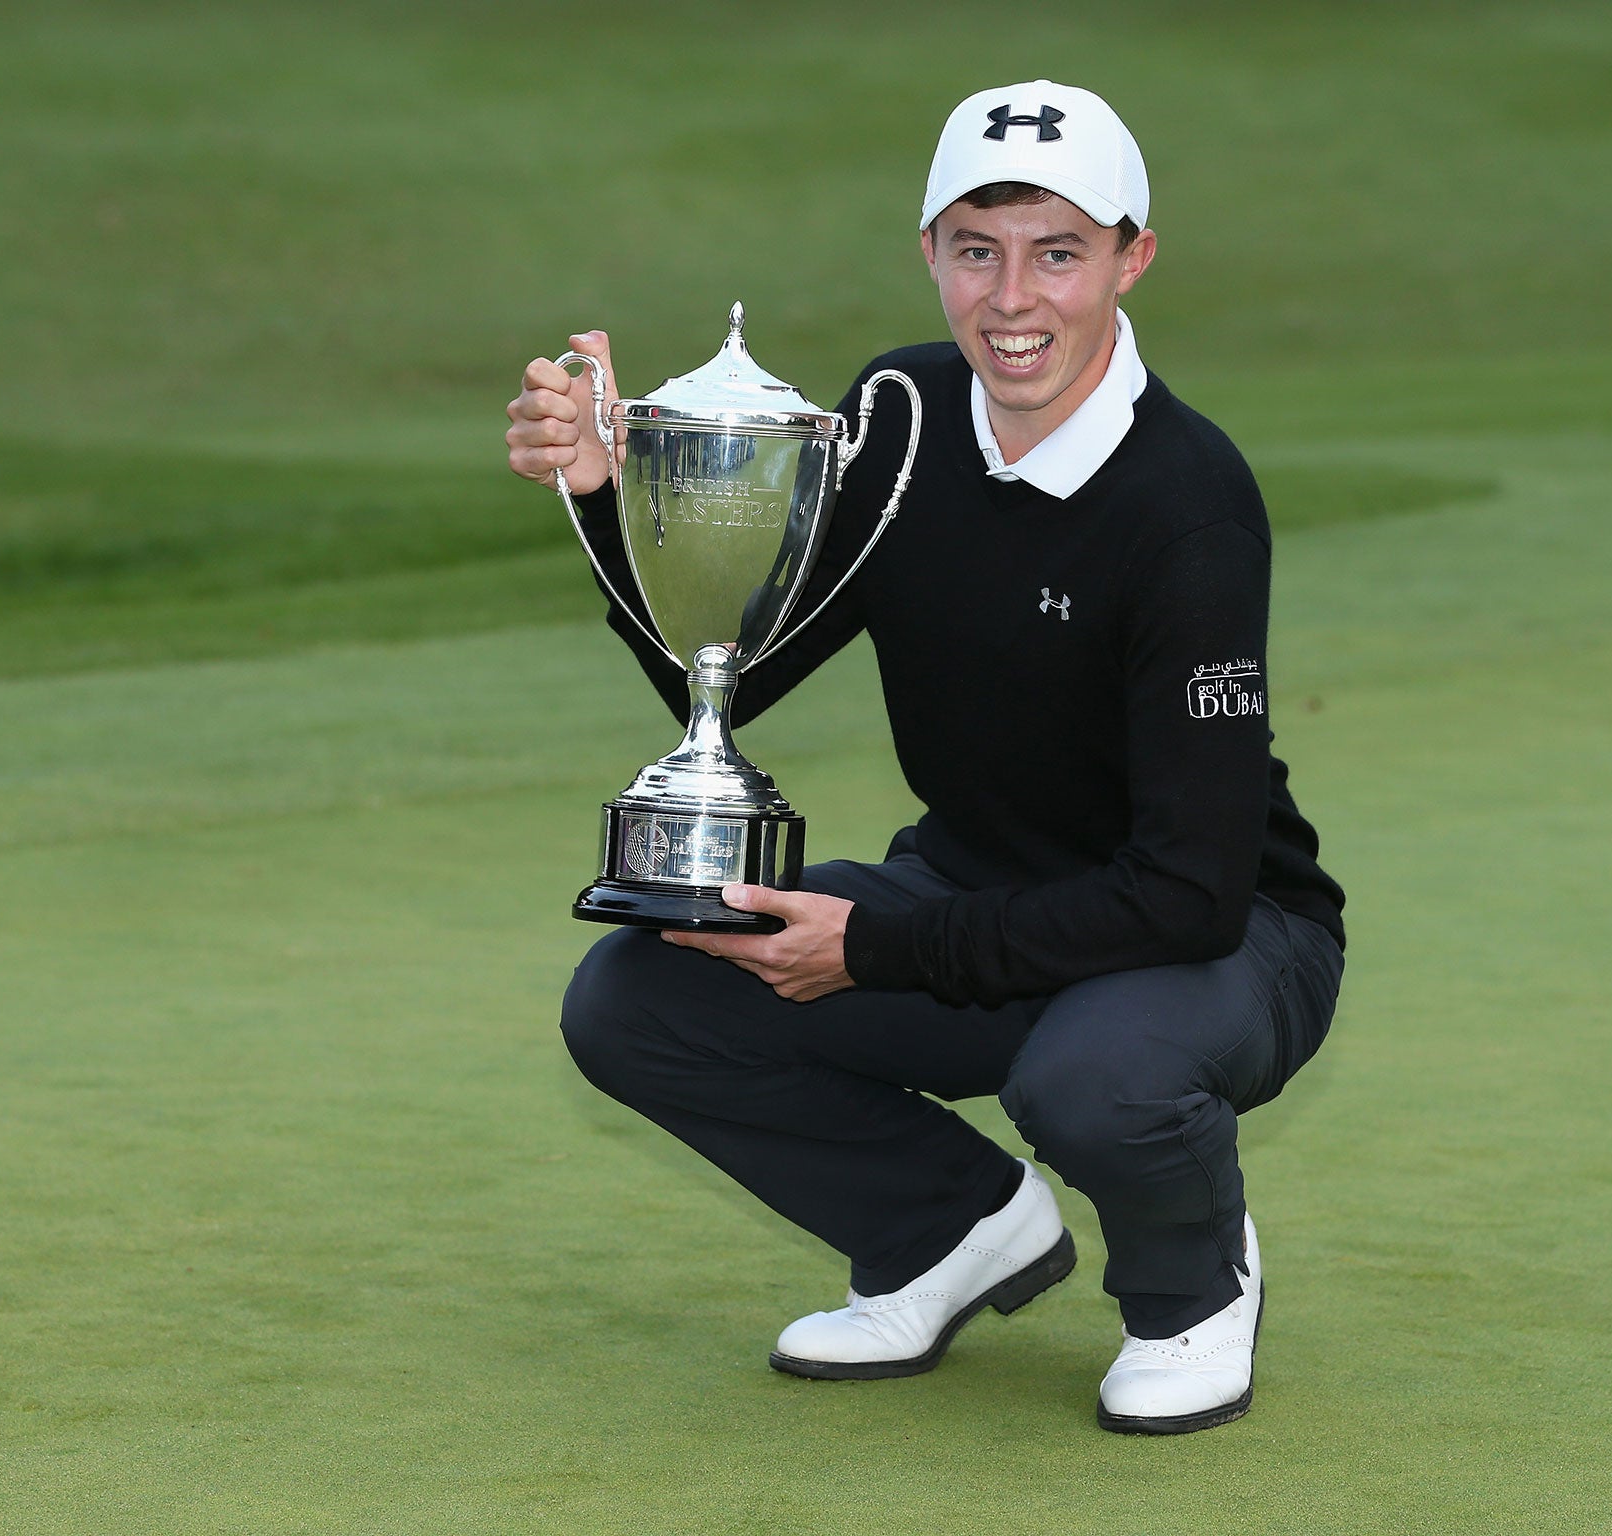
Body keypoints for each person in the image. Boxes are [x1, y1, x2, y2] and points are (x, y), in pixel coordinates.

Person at [503, 80, 1345, 1436]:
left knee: (1093, 1078)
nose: (1012, 300)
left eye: (1058, 253)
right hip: (971, 897)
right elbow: (729, 669)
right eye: (977, 249)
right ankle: (949, 1230)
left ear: (1132, 259)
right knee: (636, 999)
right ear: (931, 253)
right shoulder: (899, 412)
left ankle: (1193, 1292)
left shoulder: (1189, 503)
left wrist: (879, 951)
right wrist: (609, 495)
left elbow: (1186, 893)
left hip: (1217, 942)